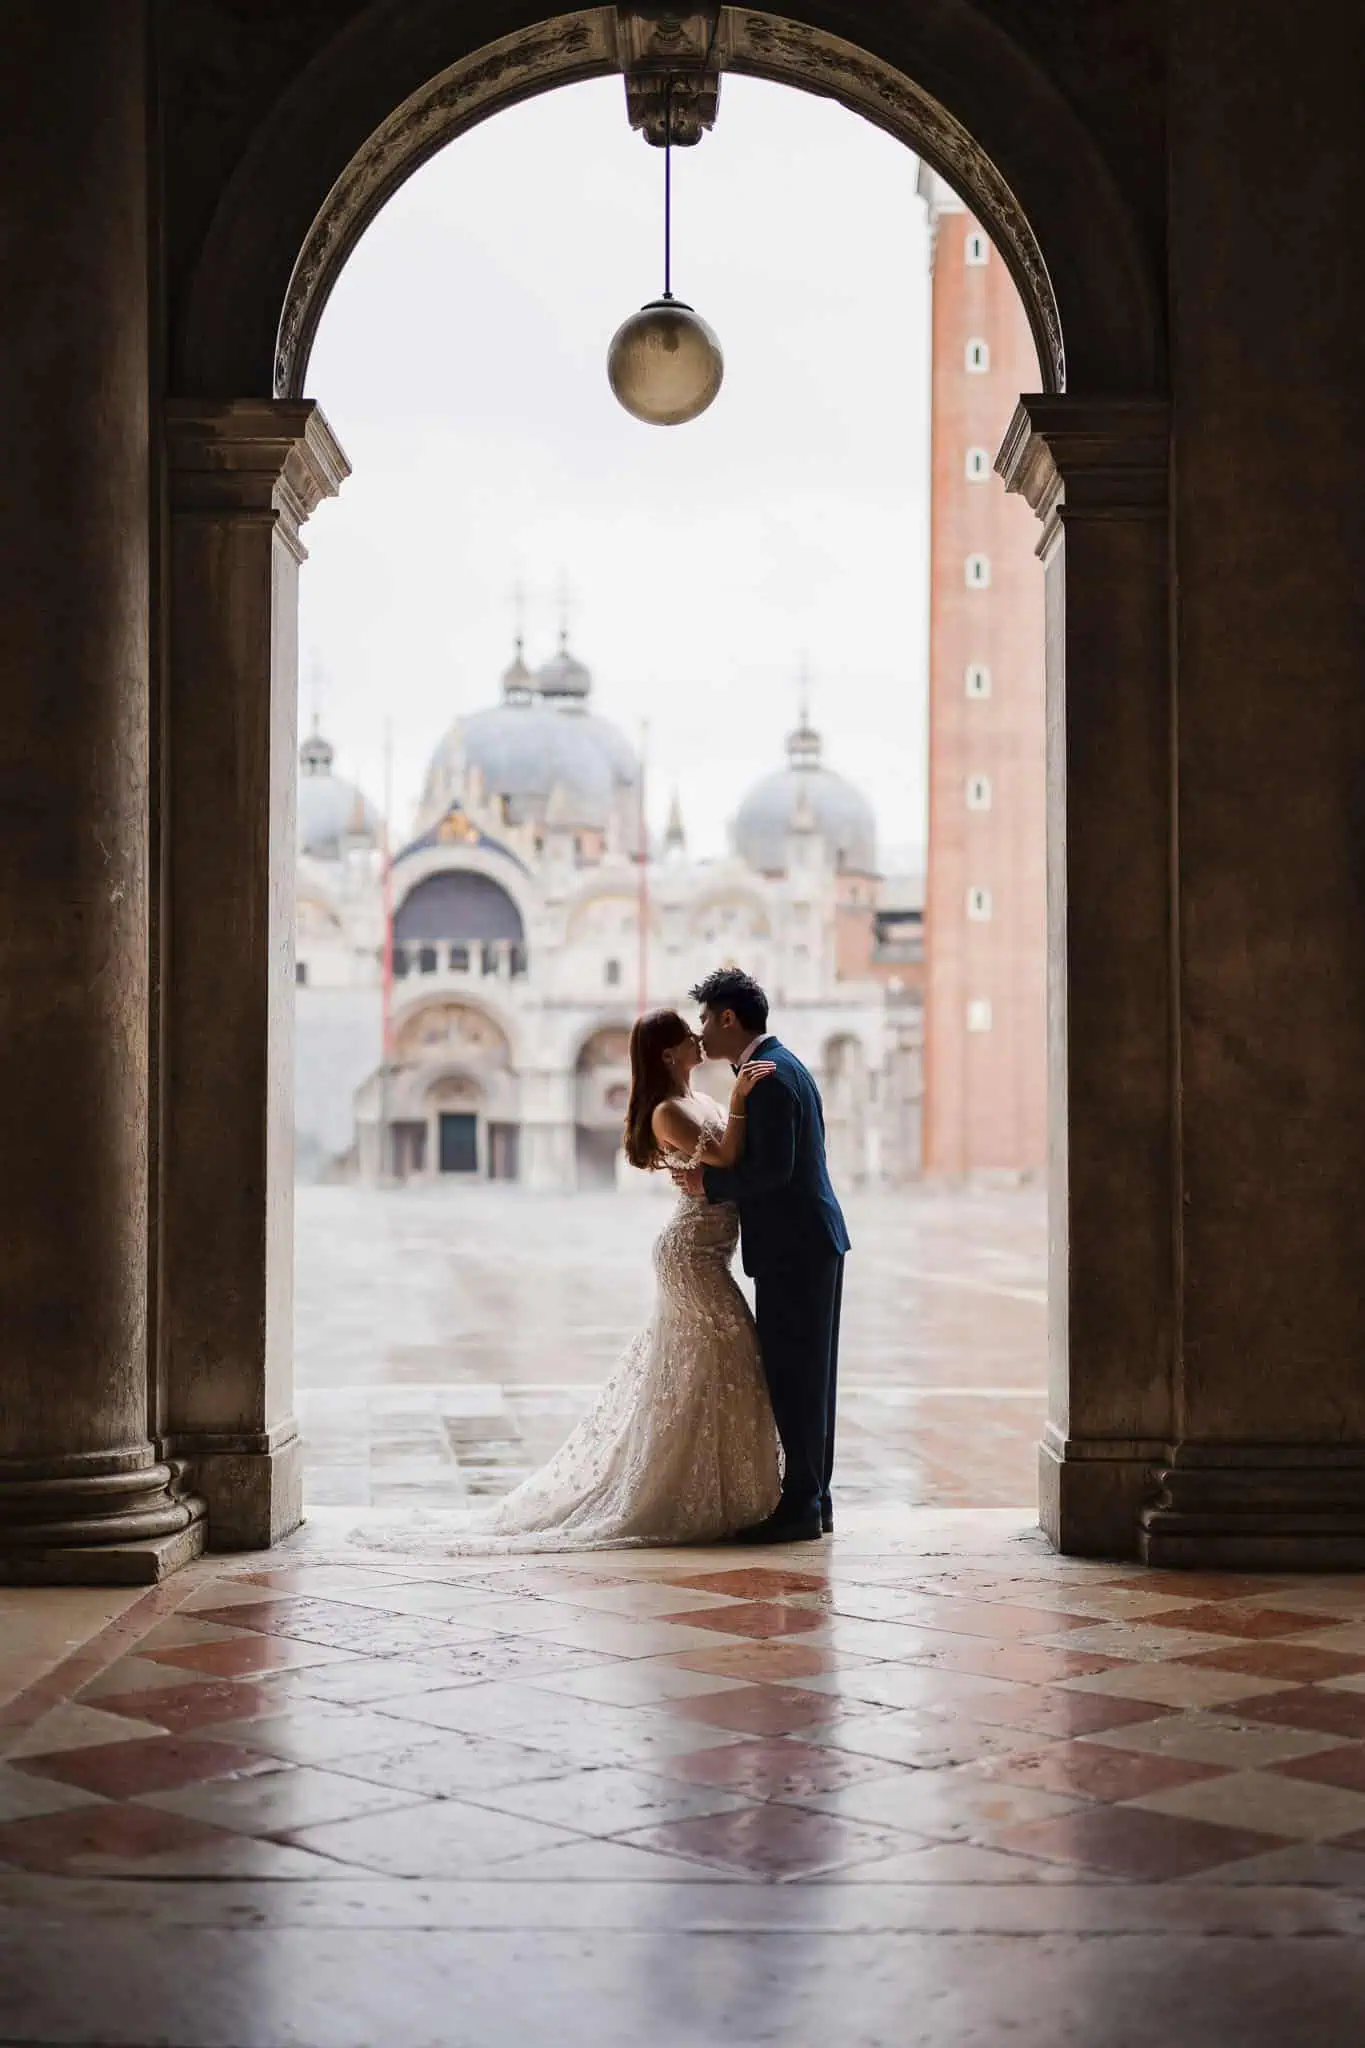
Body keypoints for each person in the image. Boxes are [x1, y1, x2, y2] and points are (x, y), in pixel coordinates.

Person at [414, 1008, 781, 1551]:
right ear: (668, 1053)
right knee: (728, 1350)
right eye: (688, 1036)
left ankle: (719, 1490)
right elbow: (727, 1153)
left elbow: (731, 1162)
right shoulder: (666, 1111)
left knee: (710, 1364)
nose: (698, 1040)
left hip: (713, 1247)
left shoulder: (698, 1099)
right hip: (691, 1254)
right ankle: (689, 1491)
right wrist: (741, 1100)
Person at [671, 967, 850, 1543]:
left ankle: (801, 1507)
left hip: (795, 1245)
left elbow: (775, 1170)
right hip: (808, 1241)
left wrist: (709, 1187)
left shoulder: (768, 1075)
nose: (700, 1032)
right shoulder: (781, 1064)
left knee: (797, 1377)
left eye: (705, 1019)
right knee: (809, 1377)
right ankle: (813, 1500)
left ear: (728, 1018)